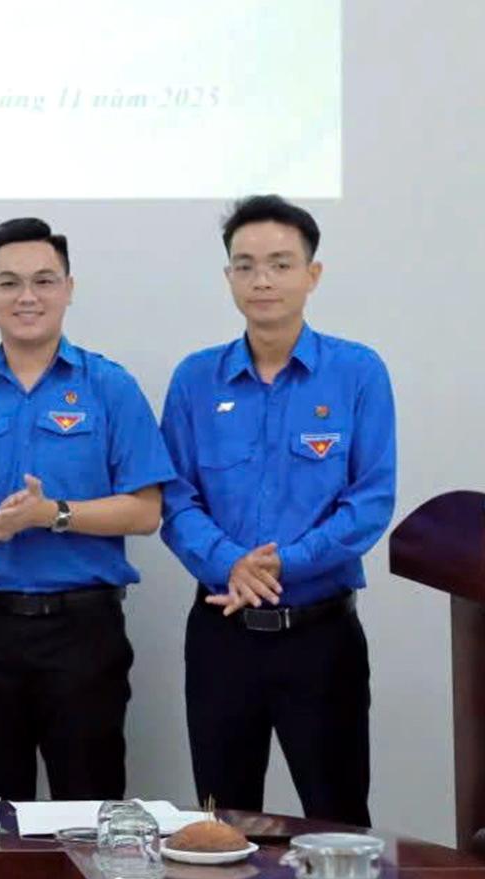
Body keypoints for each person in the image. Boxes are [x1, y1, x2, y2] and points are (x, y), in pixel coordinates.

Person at [0, 217, 175, 801]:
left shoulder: (109, 387)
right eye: (8, 283)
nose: (26, 296)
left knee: (88, 808)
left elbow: (145, 510)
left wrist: (52, 514)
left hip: (84, 633)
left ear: (69, 288)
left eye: (43, 280)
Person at [161, 195, 395, 826]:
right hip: (222, 636)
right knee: (224, 824)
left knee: (338, 819)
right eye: (245, 266)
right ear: (229, 277)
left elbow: (370, 501)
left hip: (320, 638)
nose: (262, 280)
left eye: (280, 264)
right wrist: (230, 563)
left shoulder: (357, 373)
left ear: (312, 275)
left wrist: (279, 565)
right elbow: (175, 498)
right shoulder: (195, 379)